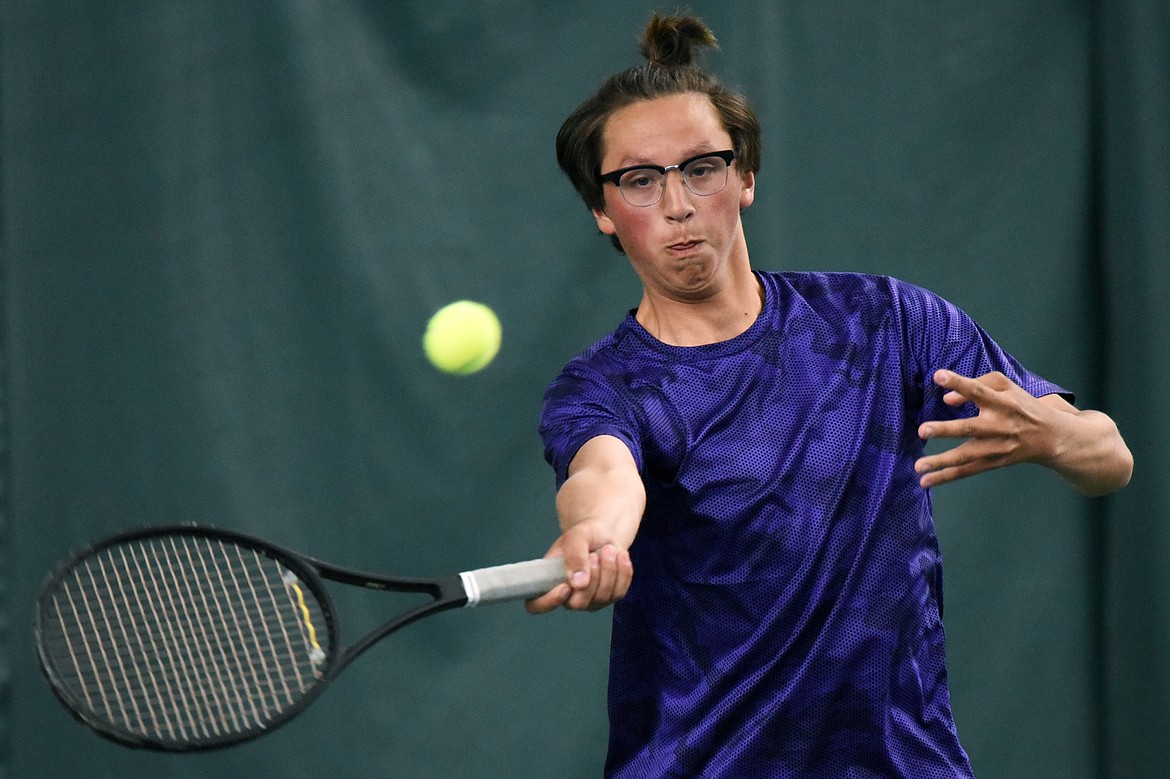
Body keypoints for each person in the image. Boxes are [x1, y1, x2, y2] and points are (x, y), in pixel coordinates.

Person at [526, 13, 1133, 778]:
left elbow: (1110, 455)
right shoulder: (603, 386)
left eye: (701, 168)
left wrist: (1053, 436)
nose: (678, 203)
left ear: (744, 176)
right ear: (603, 210)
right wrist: (596, 535)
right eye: (640, 181)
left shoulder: (886, 321)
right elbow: (603, 475)